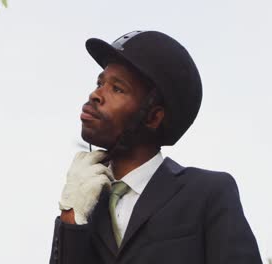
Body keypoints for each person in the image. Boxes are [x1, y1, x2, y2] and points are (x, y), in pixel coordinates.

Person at [49, 30, 262, 264]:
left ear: (153, 117)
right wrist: (70, 216)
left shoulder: (208, 193)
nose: (95, 94)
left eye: (117, 88)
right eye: (99, 83)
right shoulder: (83, 206)